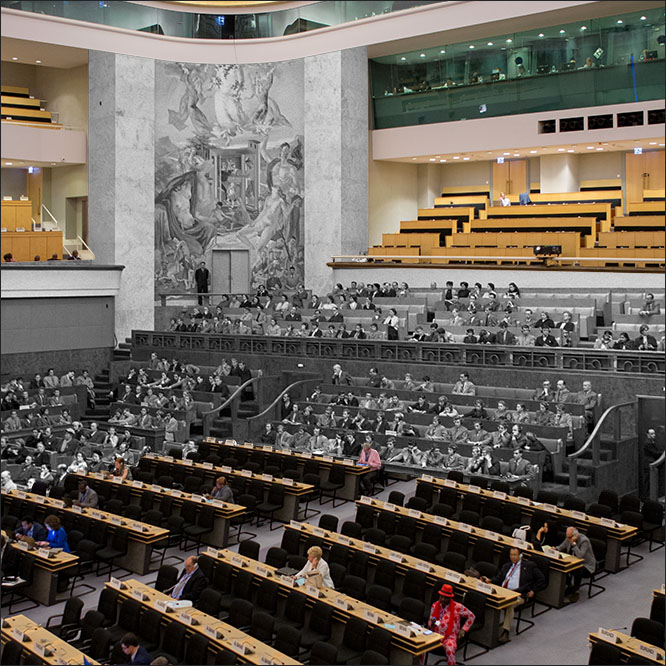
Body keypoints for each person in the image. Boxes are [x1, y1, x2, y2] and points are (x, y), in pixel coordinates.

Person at [483, 547, 545, 643]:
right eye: (511, 555)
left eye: (515, 555)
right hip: (503, 592)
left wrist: (533, 590)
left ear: (520, 555)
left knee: (510, 605)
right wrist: (489, 580)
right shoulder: (506, 566)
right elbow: (499, 579)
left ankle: (506, 632)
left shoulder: (529, 566)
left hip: (519, 595)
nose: (513, 557)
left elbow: (541, 579)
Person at [428, 583, 475, 665]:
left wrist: (463, 629)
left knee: (449, 649)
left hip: (450, 636)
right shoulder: (435, 605)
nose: (442, 599)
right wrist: (431, 623)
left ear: (450, 598)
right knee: (420, 644)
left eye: (445, 598)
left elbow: (472, 616)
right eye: (441, 596)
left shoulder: (458, 607)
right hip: (436, 634)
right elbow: (430, 622)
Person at [558, 527, 596, 603]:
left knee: (577, 570)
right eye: (567, 536)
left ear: (575, 536)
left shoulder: (584, 541)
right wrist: (555, 549)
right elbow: (562, 546)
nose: (568, 539)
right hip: (573, 562)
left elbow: (580, 556)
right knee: (562, 567)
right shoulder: (569, 537)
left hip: (587, 565)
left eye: (569, 537)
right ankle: (570, 586)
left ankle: (576, 591)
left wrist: (574, 544)